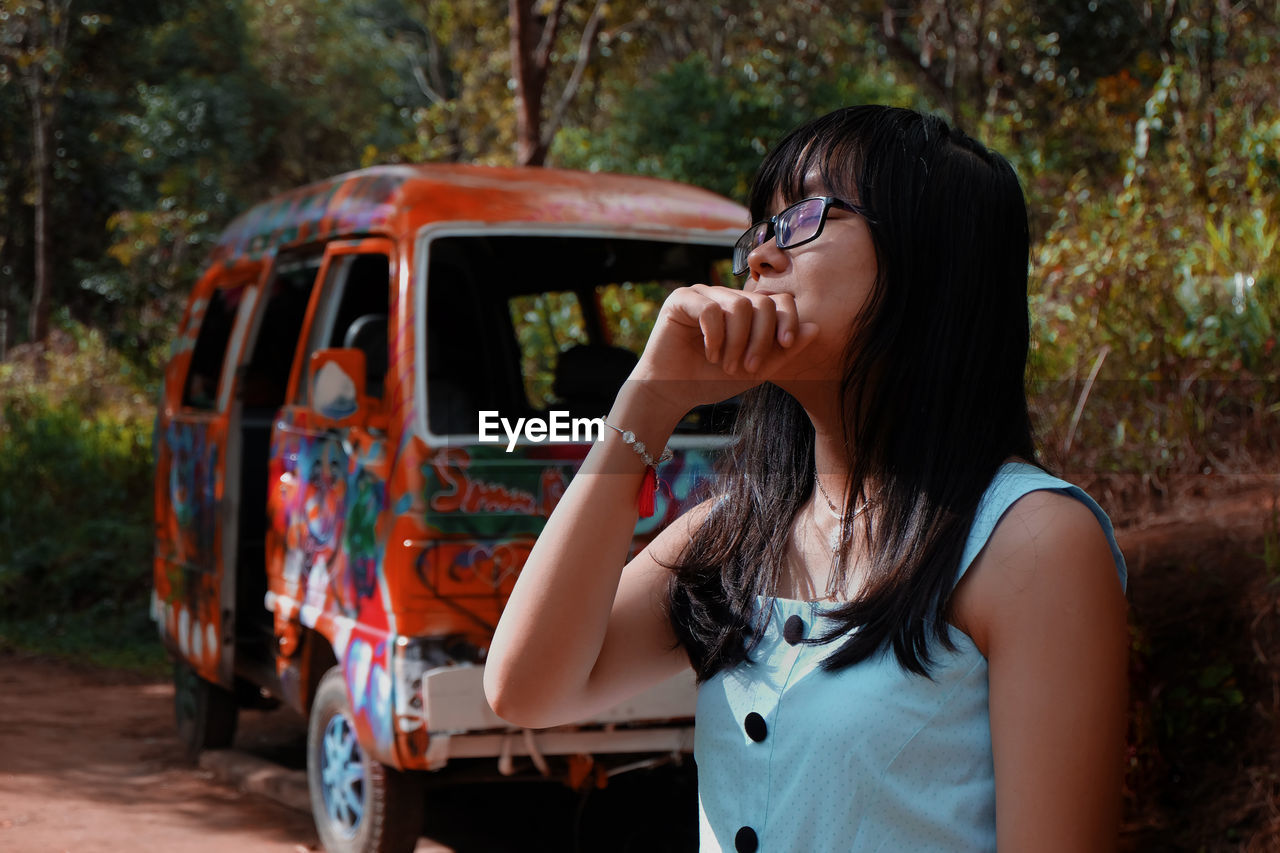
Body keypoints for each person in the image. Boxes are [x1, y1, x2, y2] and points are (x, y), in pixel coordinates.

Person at [483, 105, 1129, 852]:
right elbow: (526, 689)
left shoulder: (1033, 542)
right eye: (760, 228)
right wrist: (646, 400)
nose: (760, 256)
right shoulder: (737, 531)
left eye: (804, 217)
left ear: (932, 258)